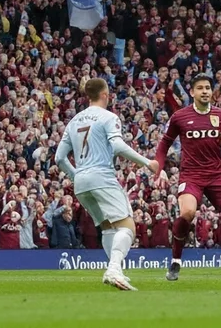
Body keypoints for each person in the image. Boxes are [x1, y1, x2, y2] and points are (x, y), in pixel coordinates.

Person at [56, 78, 160, 291]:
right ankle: (113, 269)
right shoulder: (108, 117)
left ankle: (117, 271)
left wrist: (76, 176)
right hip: (101, 177)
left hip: (81, 183)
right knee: (127, 225)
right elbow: (118, 146)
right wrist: (147, 162)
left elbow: (59, 158)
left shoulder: (74, 120)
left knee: (107, 227)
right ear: (105, 94)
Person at [156, 73, 221, 282]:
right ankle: (176, 261)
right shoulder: (180, 117)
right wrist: (159, 168)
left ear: (212, 92)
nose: (204, 91)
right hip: (191, 175)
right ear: (192, 92)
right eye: (200, 88)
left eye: (207, 88)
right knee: (187, 212)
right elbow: (164, 143)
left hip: (216, 175)